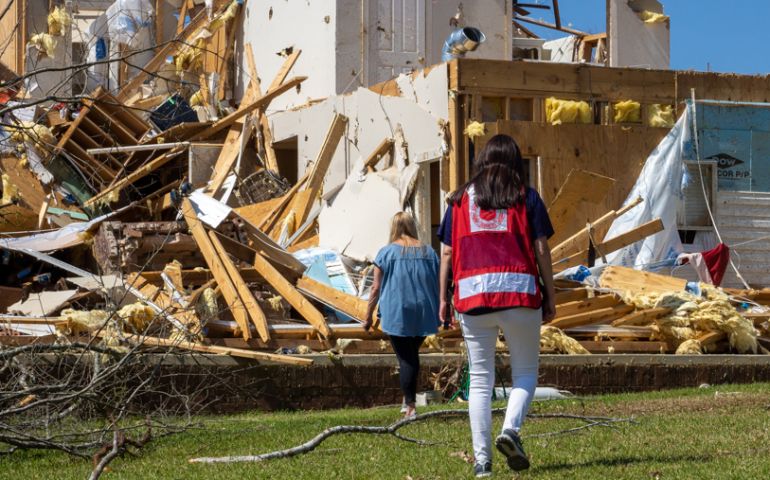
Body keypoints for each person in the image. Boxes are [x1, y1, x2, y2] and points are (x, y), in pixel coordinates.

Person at [437, 134, 556, 477]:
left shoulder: (458, 200)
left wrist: (443, 298)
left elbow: (446, 252)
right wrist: (550, 293)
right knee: (525, 374)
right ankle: (510, 430)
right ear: (516, 162)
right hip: (520, 293)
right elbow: (542, 249)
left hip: (472, 297)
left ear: (482, 161)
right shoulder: (526, 196)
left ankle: (482, 461)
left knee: (480, 381)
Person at [364, 212, 440, 418]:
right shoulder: (429, 252)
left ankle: (410, 406)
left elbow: (375, 288)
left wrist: (368, 315)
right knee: (410, 355)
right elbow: (439, 281)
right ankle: (407, 399)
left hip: (397, 311)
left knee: (407, 359)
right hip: (424, 311)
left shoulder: (386, 253)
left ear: (394, 228)